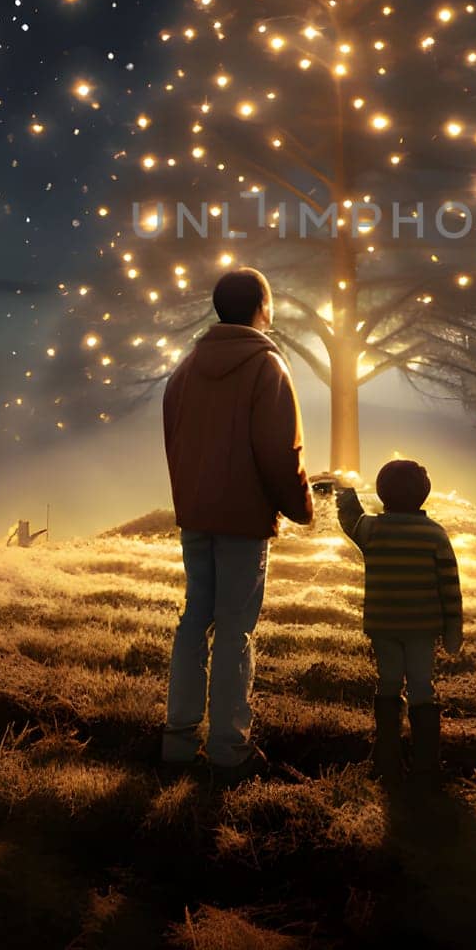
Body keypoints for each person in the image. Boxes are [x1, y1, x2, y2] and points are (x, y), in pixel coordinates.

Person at [161, 267, 313, 782]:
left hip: (196, 515)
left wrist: (189, 500)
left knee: (192, 620)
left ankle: (177, 741)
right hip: (244, 521)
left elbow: (174, 441)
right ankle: (228, 749)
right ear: (262, 308)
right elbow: (281, 451)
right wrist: (302, 506)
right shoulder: (268, 366)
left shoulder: (186, 368)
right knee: (235, 632)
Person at [336, 459, 463, 788]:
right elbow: (450, 586)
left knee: (388, 682)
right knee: (422, 687)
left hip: (384, 625)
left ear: (381, 494)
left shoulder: (373, 529)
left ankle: (386, 759)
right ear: (424, 495)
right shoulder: (435, 535)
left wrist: (344, 493)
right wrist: (453, 629)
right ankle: (426, 765)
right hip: (422, 628)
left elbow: (350, 521)